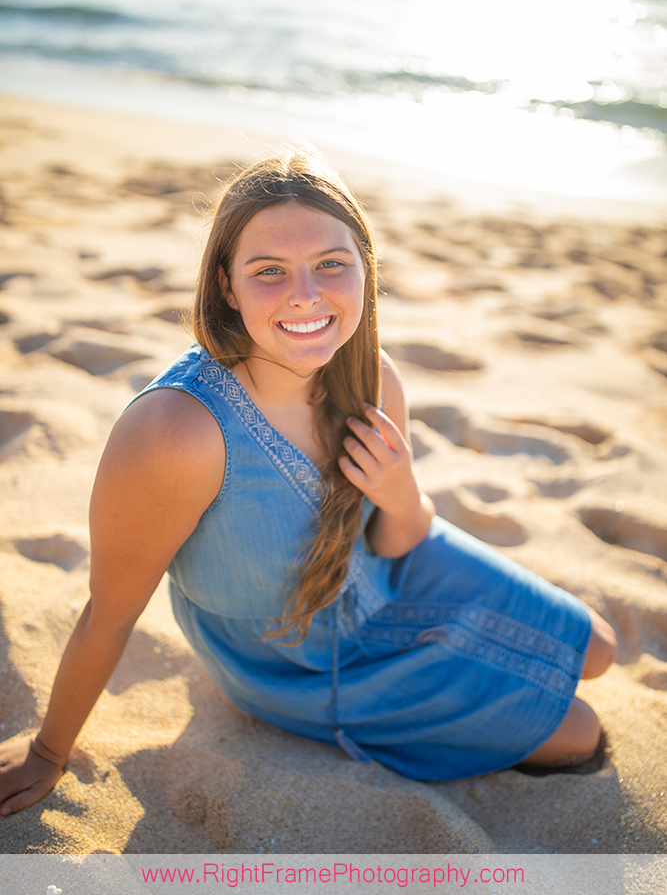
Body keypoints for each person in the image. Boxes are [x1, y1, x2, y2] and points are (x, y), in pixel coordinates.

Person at [0, 149, 617, 816]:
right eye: (269, 271)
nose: (305, 294)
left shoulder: (372, 375)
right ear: (226, 285)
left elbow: (397, 540)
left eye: (330, 264)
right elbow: (111, 610)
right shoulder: (178, 433)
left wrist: (401, 493)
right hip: (294, 654)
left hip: (387, 572)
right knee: (578, 731)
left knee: (599, 649)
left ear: (364, 267)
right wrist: (49, 750)